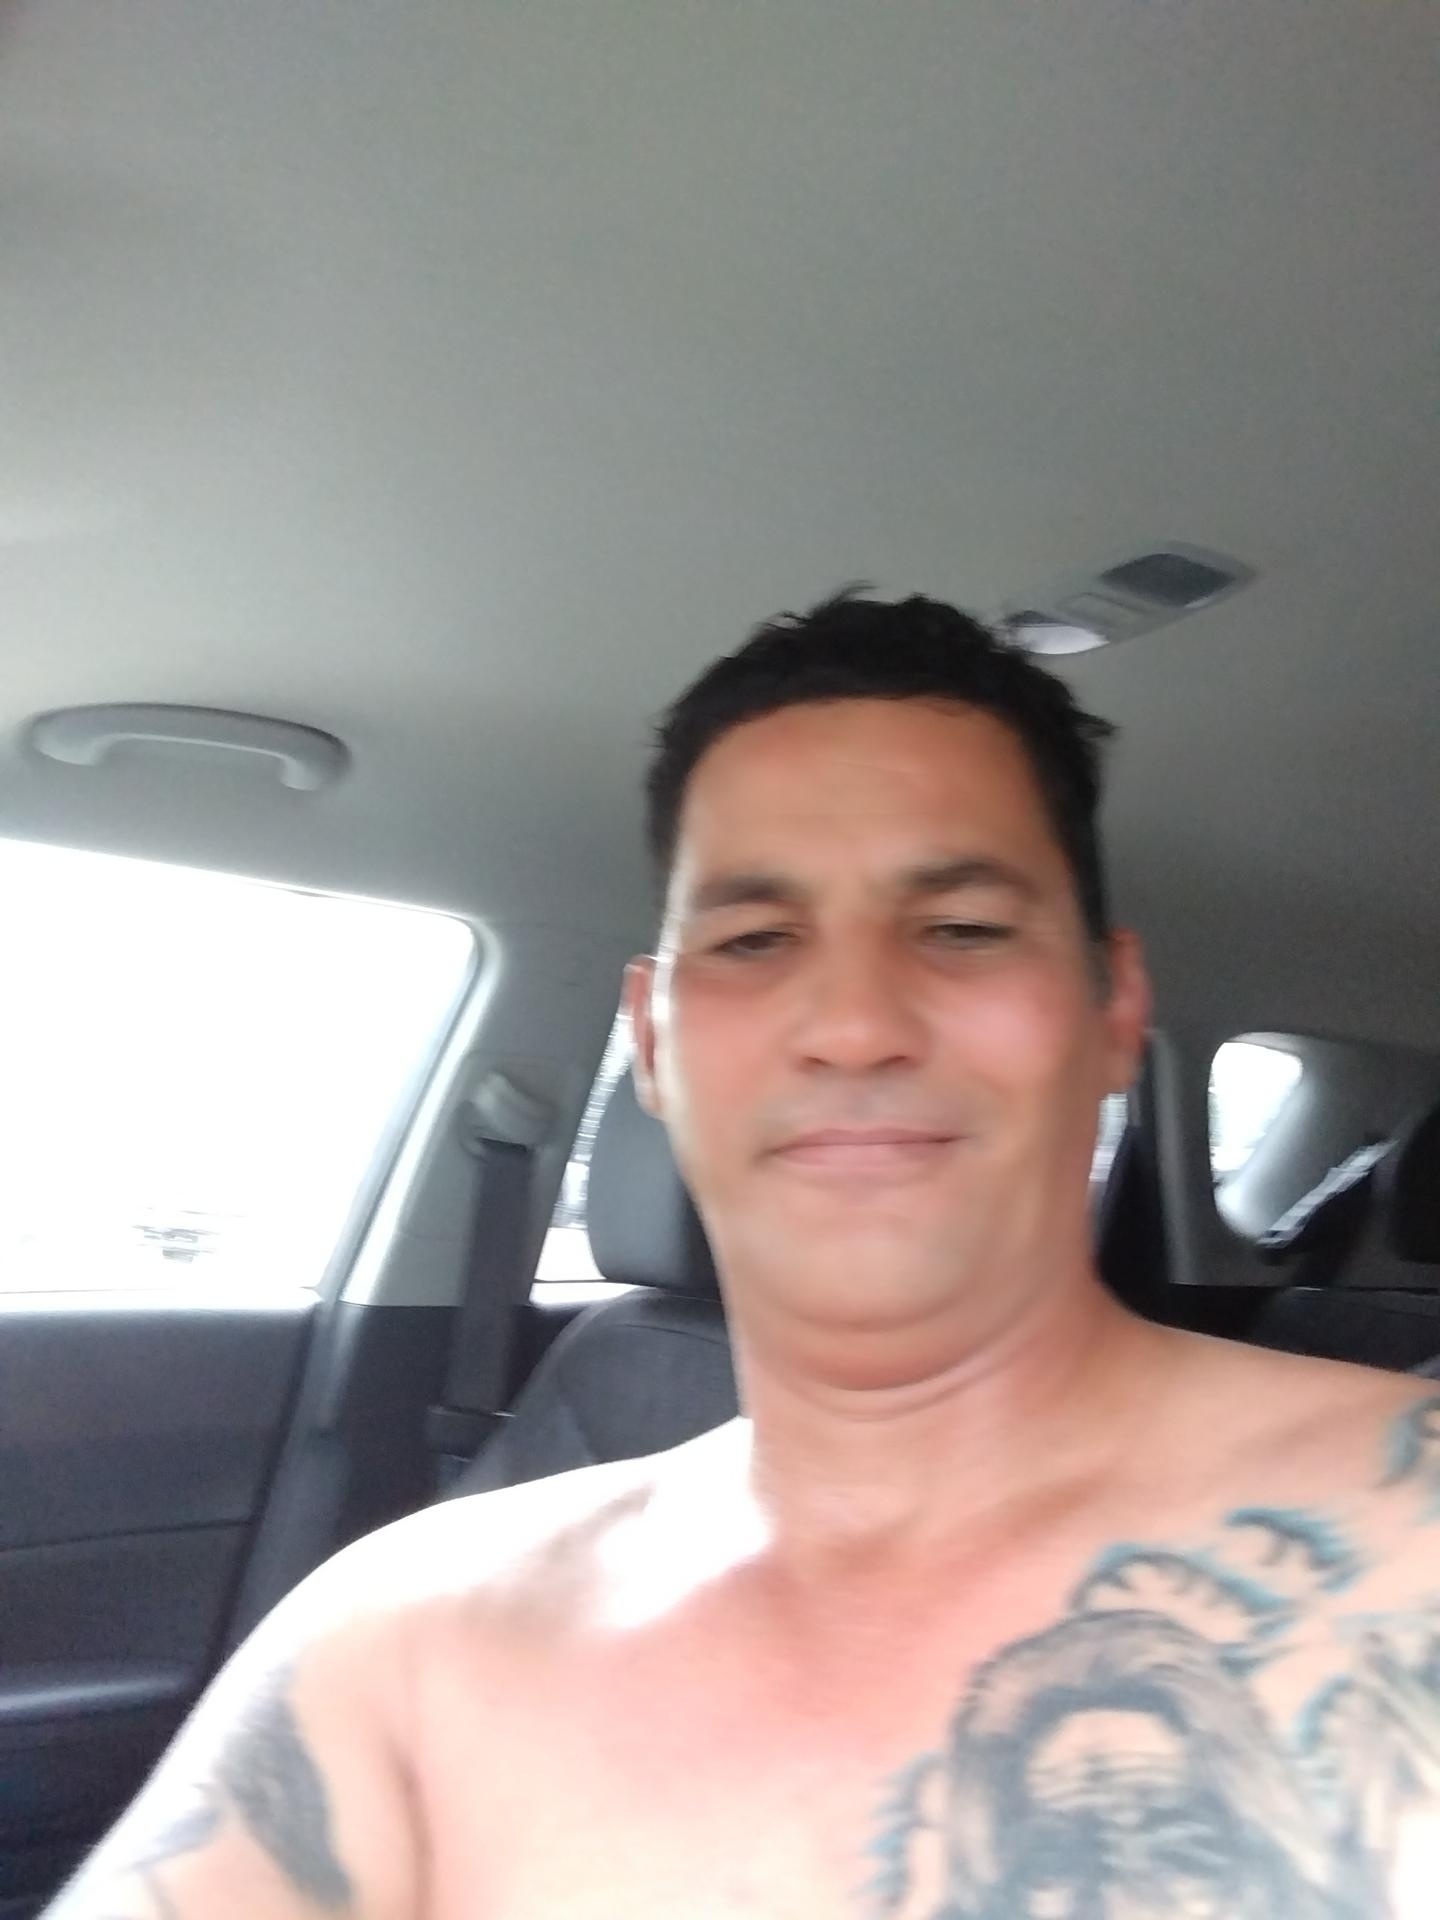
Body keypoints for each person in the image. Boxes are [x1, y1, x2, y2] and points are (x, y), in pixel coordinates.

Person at [44, 592, 1440, 1920]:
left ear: (1112, 1008)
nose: (855, 1024)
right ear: (653, 1041)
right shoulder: (403, 1638)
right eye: (758, 938)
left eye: (962, 929)